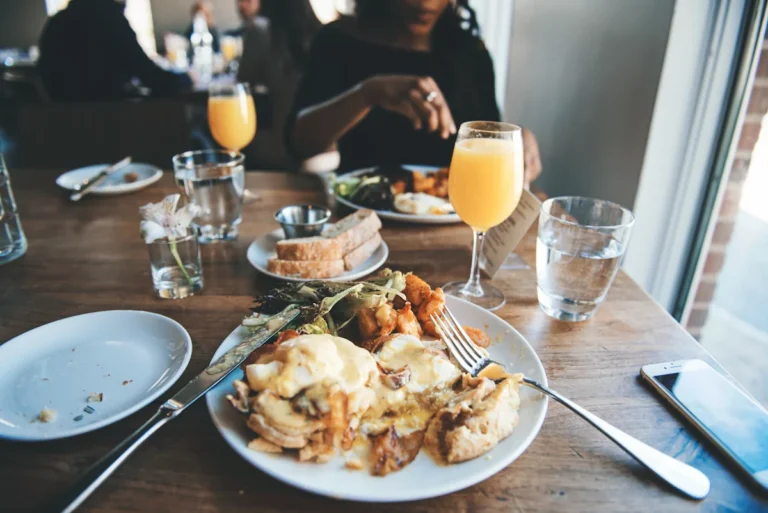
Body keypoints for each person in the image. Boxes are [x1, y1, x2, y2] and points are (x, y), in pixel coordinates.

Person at [286, 0, 542, 185]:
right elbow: (301, 143)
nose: (426, 4)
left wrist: (518, 140)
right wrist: (367, 94)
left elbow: (487, 135)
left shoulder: (470, 53)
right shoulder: (338, 41)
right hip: (361, 211)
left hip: (450, 218)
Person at [38, 0, 192, 102]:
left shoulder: (57, 21)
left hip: (61, 128)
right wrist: (187, 78)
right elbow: (151, 77)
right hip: (108, 124)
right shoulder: (108, 18)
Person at [235, 0, 322, 169]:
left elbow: (241, 84)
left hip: (281, 149)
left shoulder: (261, 31)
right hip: (324, 149)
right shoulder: (323, 33)